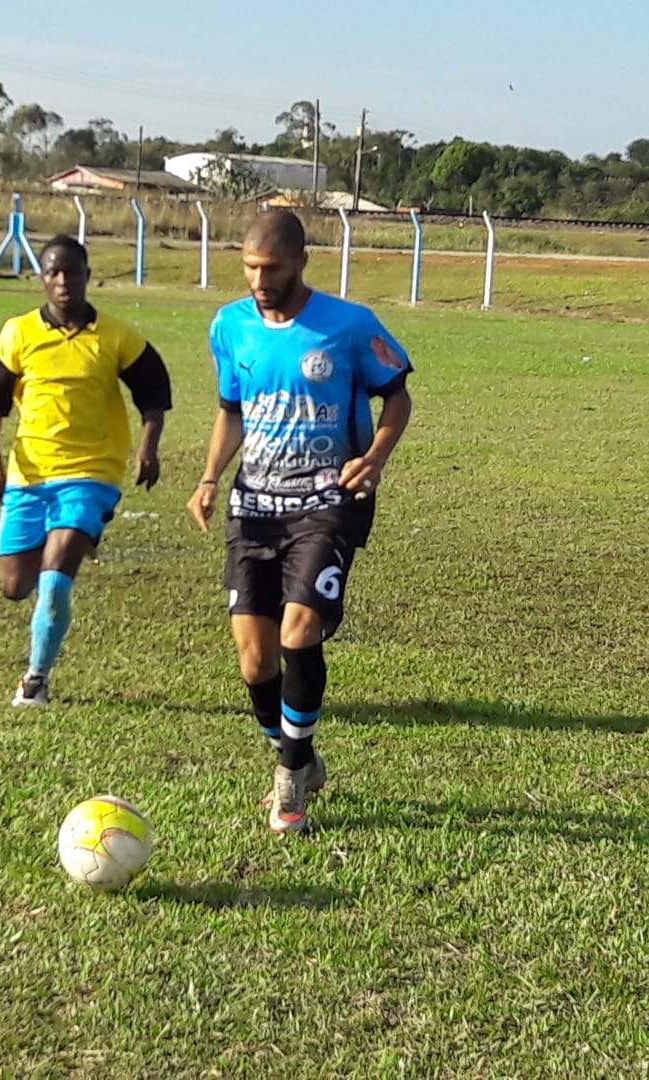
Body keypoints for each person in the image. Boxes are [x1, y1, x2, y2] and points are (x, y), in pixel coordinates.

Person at [187, 210, 413, 834]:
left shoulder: (348, 325)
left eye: (272, 269)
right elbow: (232, 410)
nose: (260, 280)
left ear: (301, 262)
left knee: (299, 630)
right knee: (254, 661)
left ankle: (289, 783)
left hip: (327, 499)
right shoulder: (229, 326)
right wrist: (210, 477)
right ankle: (301, 755)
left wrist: (374, 458)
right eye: (251, 269)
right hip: (254, 503)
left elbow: (397, 393)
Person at [0, 234, 172, 706]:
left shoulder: (117, 336)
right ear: (42, 278)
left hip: (93, 470)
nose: (63, 281)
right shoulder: (18, 333)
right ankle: (69, 537)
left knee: (53, 577)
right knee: (14, 586)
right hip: (30, 473)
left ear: (88, 275)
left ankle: (35, 679)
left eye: (72, 272)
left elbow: (154, 393)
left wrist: (148, 447)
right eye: (53, 273)